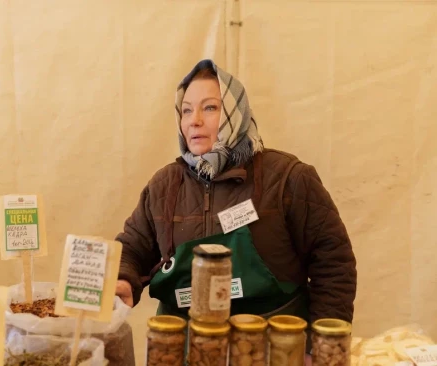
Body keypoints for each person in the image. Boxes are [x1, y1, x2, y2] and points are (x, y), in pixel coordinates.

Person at [115, 59, 357, 360]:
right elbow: (133, 246)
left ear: (235, 112)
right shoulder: (165, 184)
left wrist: (319, 348)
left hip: (274, 349)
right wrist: (124, 278)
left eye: (210, 108)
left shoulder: (287, 177)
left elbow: (333, 263)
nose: (194, 120)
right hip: (182, 349)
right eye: (186, 110)